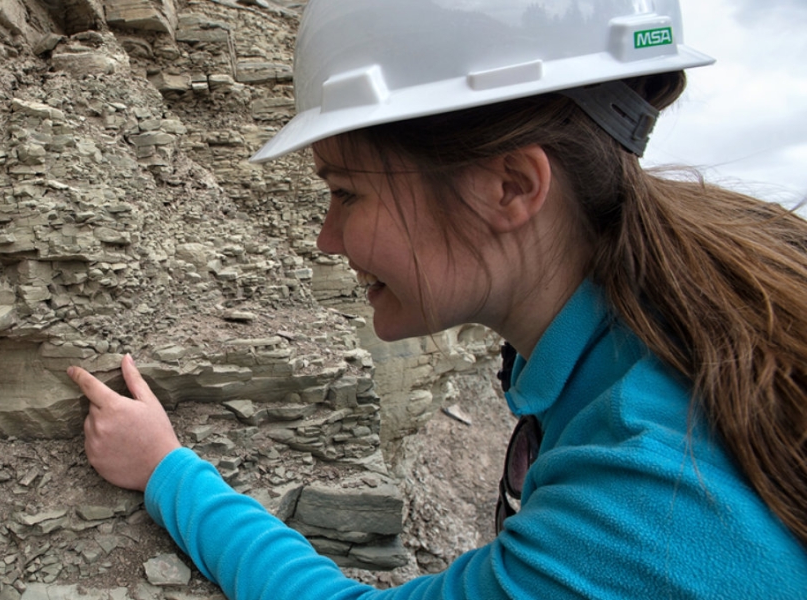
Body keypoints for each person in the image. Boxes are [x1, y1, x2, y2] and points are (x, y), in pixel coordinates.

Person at [66, 0, 807, 597]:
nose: (327, 238)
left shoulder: (653, 513)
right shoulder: (658, 337)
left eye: (345, 192)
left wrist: (168, 469)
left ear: (510, 187)